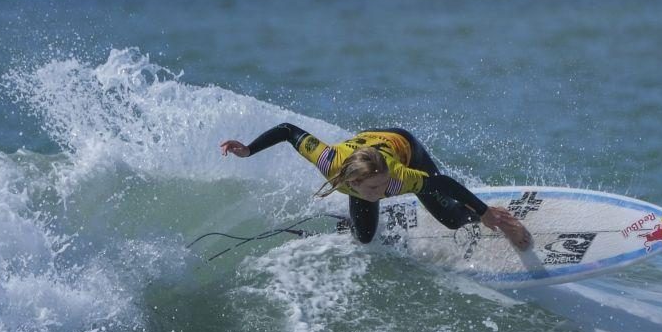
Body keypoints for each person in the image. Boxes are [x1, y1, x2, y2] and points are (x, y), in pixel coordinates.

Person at [220, 123, 532, 249]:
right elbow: (288, 131)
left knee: (449, 217)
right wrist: (248, 150)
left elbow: (444, 184)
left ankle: (495, 218)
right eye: (375, 191)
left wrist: (483, 211)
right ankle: (347, 224)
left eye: (385, 189)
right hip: (363, 155)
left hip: (404, 145)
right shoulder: (329, 161)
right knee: (365, 237)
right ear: (352, 183)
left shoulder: (397, 177)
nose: (383, 195)